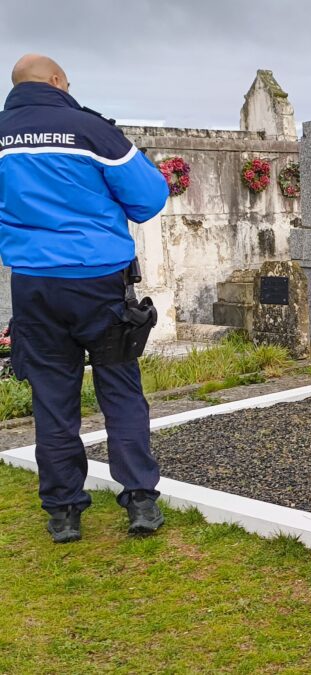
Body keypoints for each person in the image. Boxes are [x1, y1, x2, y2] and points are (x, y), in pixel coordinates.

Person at [0, 54, 169, 543]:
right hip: (100, 282)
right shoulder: (91, 130)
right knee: (119, 388)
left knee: (52, 398)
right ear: (56, 81)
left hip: (34, 283)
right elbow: (149, 198)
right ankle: (140, 501)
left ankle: (64, 512)